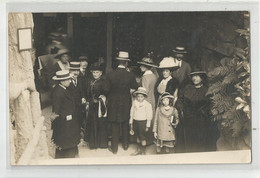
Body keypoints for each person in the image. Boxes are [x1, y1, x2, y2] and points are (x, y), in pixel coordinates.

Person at [104, 51, 138, 154]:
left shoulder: (110, 74)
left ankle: (114, 148)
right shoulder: (130, 75)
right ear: (126, 63)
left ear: (118, 61)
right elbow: (135, 87)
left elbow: (105, 89)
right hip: (125, 101)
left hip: (113, 102)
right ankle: (125, 145)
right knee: (124, 122)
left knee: (114, 123)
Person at [178, 68, 219, 152]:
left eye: (197, 76)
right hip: (188, 119)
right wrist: (181, 108)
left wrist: (204, 112)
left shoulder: (207, 90)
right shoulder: (187, 89)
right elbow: (180, 100)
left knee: (201, 142)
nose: (194, 78)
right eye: (193, 76)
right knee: (189, 141)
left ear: (202, 78)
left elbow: (211, 104)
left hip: (201, 120)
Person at [50, 70, 81, 158]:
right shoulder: (58, 92)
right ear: (62, 81)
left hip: (68, 119)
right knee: (65, 139)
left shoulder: (62, 88)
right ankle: (66, 156)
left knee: (69, 138)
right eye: (68, 80)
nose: (70, 82)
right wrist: (66, 117)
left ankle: (70, 153)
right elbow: (56, 109)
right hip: (64, 121)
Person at [85, 62, 108, 149]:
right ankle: (93, 143)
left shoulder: (103, 82)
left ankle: (101, 143)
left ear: (101, 73)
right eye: (94, 72)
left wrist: (100, 99)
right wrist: (88, 101)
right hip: (92, 105)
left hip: (100, 106)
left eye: (97, 72)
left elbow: (106, 92)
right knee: (92, 123)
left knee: (100, 123)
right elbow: (88, 93)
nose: (95, 74)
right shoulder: (90, 81)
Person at [137, 56, 158, 145]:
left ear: (146, 67)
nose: (140, 67)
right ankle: (150, 139)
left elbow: (144, 91)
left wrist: (135, 91)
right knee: (150, 118)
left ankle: (145, 140)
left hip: (146, 99)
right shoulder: (154, 76)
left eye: (142, 65)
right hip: (152, 98)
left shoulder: (145, 77)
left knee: (144, 119)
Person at [129, 87, 153, 155]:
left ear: (144, 97)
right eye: (138, 96)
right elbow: (132, 112)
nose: (139, 98)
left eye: (141, 97)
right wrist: (131, 122)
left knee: (142, 137)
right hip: (136, 121)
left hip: (143, 123)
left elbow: (149, 116)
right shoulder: (134, 103)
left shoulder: (147, 105)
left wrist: (147, 125)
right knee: (137, 136)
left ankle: (143, 150)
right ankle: (138, 149)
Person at [67, 62, 86, 127]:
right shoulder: (66, 81)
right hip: (70, 106)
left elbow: (83, 90)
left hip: (79, 106)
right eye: (73, 70)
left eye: (77, 70)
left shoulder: (80, 80)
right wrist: (69, 80)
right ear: (70, 71)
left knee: (79, 122)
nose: (76, 72)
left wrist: (83, 97)